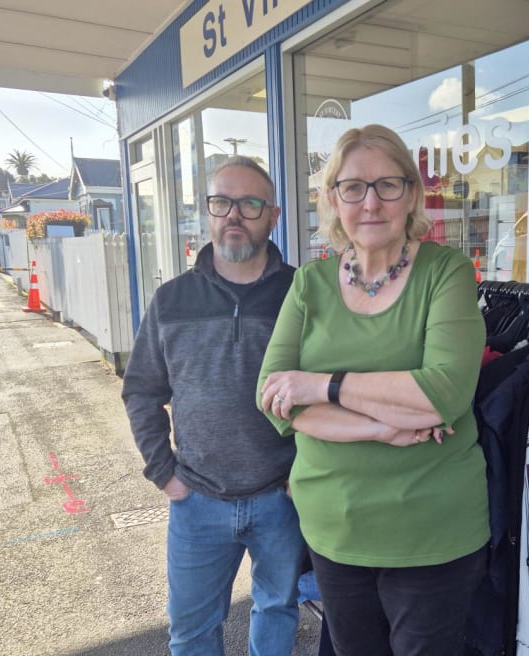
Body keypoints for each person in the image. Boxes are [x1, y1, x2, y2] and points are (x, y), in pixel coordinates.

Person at [258, 124, 489, 655]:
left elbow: (444, 393)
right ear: (333, 198)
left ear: (411, 194)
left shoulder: (446, 271)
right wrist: (382, 428)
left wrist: (321, 385)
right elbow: (272, 398)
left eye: (388, 184)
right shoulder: (309, 284)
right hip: (334, 527)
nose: (370, 202)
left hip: (432, 528)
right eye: (353, 187)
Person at [122, 156, 304, 656]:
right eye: (221, 202)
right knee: (192, 632)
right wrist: (164, 473)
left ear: (273, 214)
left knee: (277, 609)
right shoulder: (171, 300)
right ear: (207, 212)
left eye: (249, 203)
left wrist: (304, 470)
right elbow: (141, 390)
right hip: (197, 498)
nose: (234, 215)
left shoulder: (302, 295)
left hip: (282, 499)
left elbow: (325, 386)